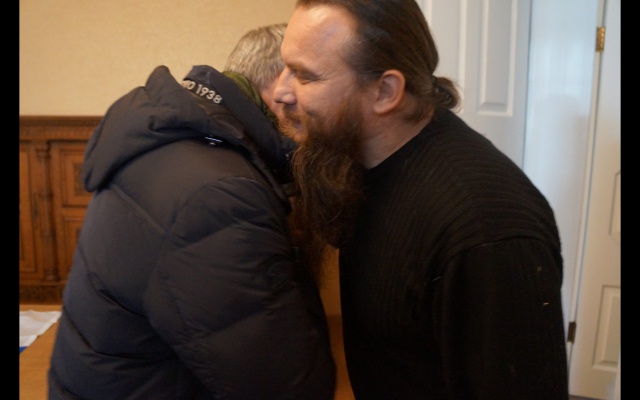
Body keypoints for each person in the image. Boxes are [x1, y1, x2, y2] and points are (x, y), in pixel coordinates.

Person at [274, 1, 570, 399]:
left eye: (305, 76)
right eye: (286, 67)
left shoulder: (487, 230)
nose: (281, 91)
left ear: (385, 91)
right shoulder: (360, 160)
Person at [47, 23, 336, 400]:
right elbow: (291, 386)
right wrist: (298, 245)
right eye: (310, 81)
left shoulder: (175, 140)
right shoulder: (220, 195)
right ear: (282, 84)